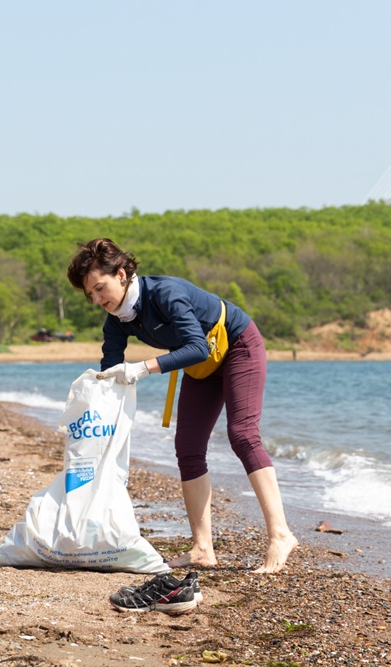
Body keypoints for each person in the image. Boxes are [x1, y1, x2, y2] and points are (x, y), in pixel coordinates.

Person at [67, 237, 297, 574]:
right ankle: (202, 548)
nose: (98, 299)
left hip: (236, 345)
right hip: (203, 366)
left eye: (101, 288)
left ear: (121, 274)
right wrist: (92, 416)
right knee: (188, 448)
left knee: (242, 434)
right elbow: (109, 372)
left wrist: (143, 368)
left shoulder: (165, 293)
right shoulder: (117, 319)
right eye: (91, 295)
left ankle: (281, 535)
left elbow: (197, 348)